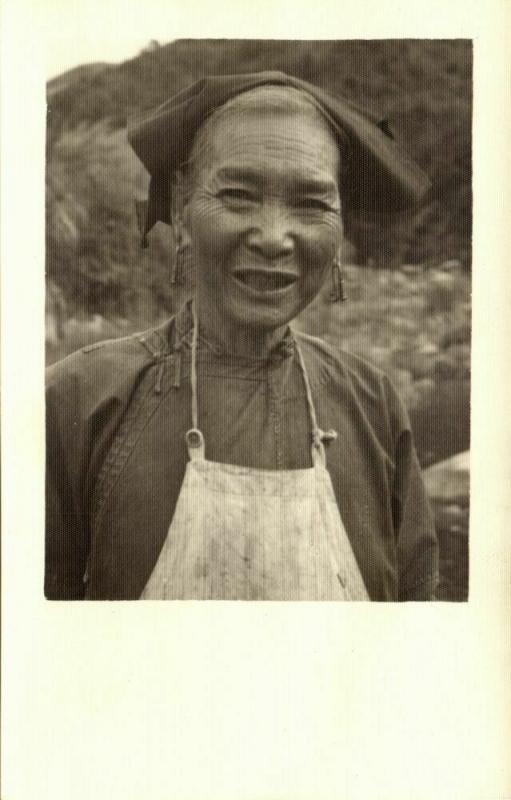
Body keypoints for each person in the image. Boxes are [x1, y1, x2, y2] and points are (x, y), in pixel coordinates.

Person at [45, 71, 439, 601]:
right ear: (183, 209)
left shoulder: (373, 404)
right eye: (237, 196)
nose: (275, 237)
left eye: (311, 204)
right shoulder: (78, 400)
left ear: (340, 227)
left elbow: (419, 631)